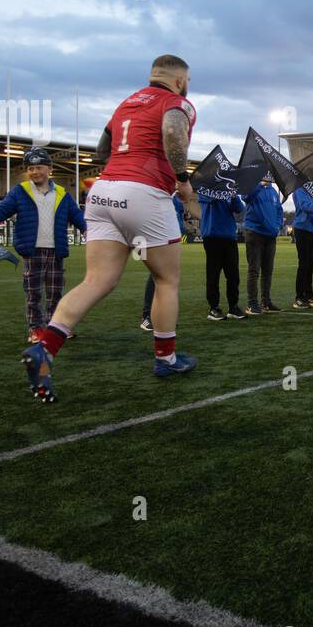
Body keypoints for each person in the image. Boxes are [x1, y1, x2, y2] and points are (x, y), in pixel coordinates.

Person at [21, 54, 201, 400]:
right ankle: (166, 358)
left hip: (104, 190)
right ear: (179, 79)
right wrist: (182, 180)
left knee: (96, 280)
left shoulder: (126, 104)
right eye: (188, 81)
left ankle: (45, 348)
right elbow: (172, 133)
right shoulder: (176, 101)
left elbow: (103, 148)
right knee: (167, 279)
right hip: (145, 191)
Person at [0, 148, 87, 342]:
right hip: (32, 251)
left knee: (55, 293)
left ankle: (55, 326)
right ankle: (36, 329)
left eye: (39, 167)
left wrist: (88, 230)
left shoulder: (63, 193)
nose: (34, 171)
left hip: (57, 251)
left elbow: (78, 217)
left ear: (49, 169)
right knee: (34, 293)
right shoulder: (20, 191)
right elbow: (0, 211)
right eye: (30, 168)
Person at [198, 186, 247, 321]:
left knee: (233, 275)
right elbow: (209, 198)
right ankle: (213, 307)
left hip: (229, 236)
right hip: (212, 236)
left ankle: (233, 307)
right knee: (213, 275)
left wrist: (233, 196)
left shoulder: (228, 190)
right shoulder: (204, 188)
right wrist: (225, 192)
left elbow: (239, 209)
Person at [141, 195, 186, 328]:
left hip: (171, 238)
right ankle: (147, 316)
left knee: (166, 278)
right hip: (155, 237)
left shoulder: (175, 199)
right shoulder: (154, 195)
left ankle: (161, 316)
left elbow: (179, 217)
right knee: (157, 275)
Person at [242, 176, 283, 315]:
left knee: (268, 271)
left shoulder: (273, 191)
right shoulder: (251, 185)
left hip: (270, 235)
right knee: (254, 270)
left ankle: (266, 302)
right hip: (255, 232)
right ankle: (252, 304)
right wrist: (260, 184)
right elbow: (246, 197)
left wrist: (277, 226)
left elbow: (279, 210)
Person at [290, 185, 313, 309]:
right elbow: (306, 206)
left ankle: (309, 295)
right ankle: (299, 297)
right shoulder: (299, 189)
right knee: (304, 263)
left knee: (310, 264)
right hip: (303, 229)